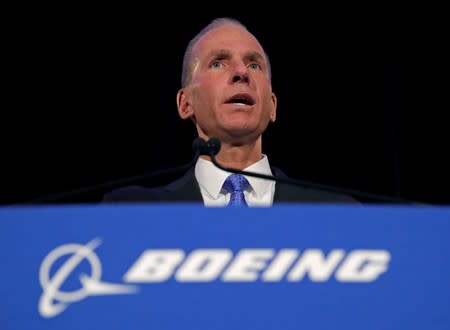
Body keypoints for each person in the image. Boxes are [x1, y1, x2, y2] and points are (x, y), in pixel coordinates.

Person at [102, 17, 357, 206]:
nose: (241, 73)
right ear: (185, 103)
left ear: (272, 106)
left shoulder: (334, 212)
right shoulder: (133, 210)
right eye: (217, 63)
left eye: (254, 65)